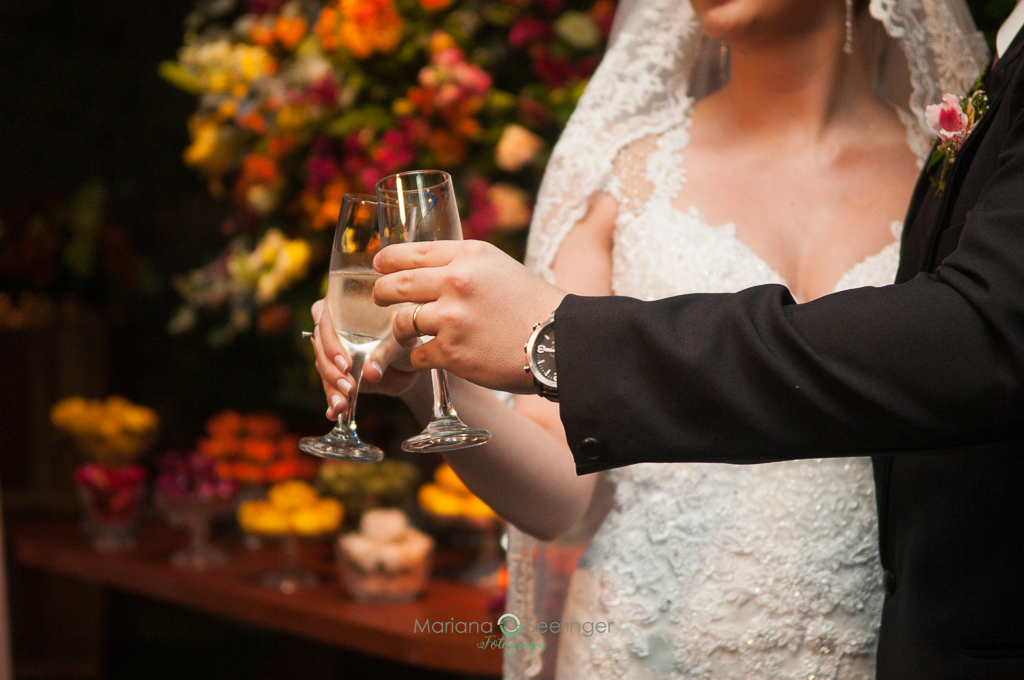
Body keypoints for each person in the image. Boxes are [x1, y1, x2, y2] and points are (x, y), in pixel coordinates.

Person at [313, 2, 994, 680]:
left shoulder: (949, 179)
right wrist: (430, 384)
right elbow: (559, 497)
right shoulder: (618, 175)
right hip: (642, 647)